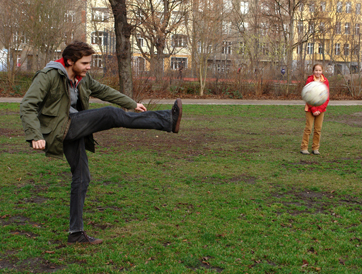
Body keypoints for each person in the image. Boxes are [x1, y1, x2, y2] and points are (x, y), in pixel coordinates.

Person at [20, 41, 182, 245]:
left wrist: (131, 103)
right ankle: (167, 120)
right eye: (85, 62)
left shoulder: (82, 78)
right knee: (111, 114)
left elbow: (104, 91)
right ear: (70, 61)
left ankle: (76, 233)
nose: (89, 66)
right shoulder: (49, 75)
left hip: (73, 127)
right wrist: (35, 135)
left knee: (82, 177)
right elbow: (27, 105)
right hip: (59, 128)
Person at [300, 64, 329, 155]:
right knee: (308, 128)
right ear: (313, 71)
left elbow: (326, 97)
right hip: (310, 109)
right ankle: (304, 147)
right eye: (316, 70)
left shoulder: (325, 81)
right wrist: (313, 109)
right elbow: (307, 96)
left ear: (322, 71)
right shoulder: (309, 80)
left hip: (321, 110)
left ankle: (315, 148)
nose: (318, 72)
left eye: (319, 70)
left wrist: (319, 109)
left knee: (318, 129)